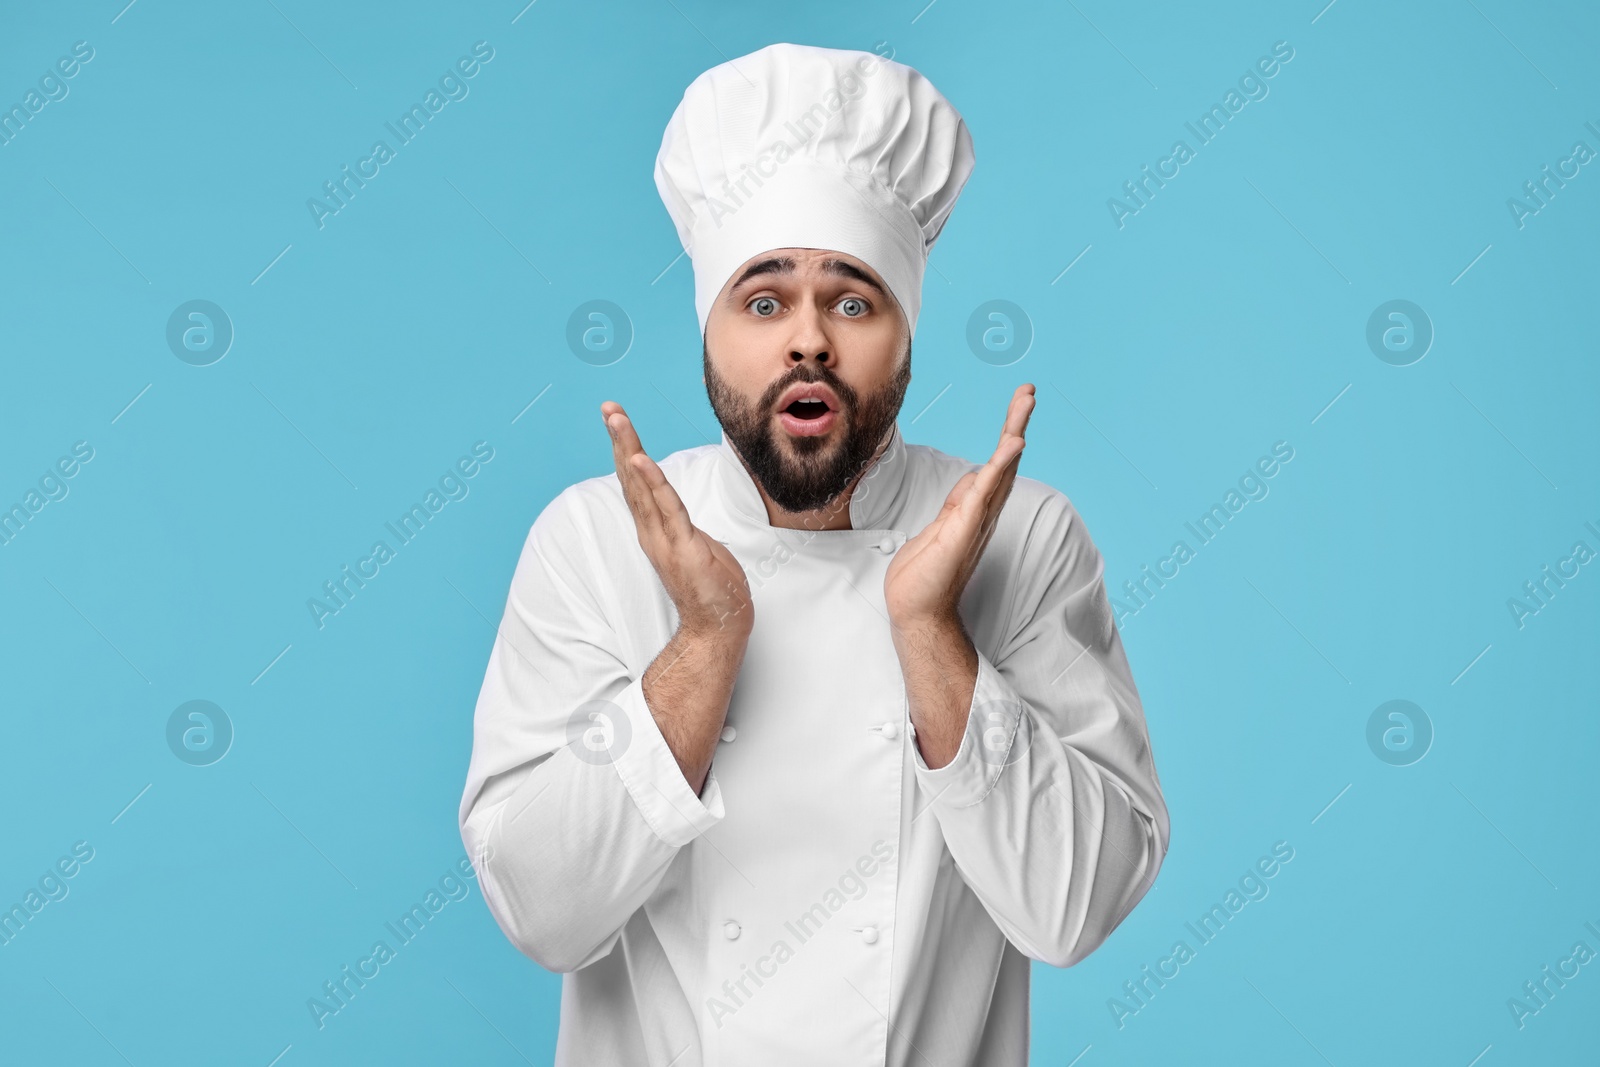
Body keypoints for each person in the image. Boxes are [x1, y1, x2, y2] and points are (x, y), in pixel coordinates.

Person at [458, 41, 1169, 1066]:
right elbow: (544, 909)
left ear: (905, 334)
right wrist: (707, 637)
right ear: (708, 335)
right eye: (762, 301)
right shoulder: (595, 539)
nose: (807, 342)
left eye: (850, 300)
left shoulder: (1017, 534)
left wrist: (930, 628)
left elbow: (1073, 906)